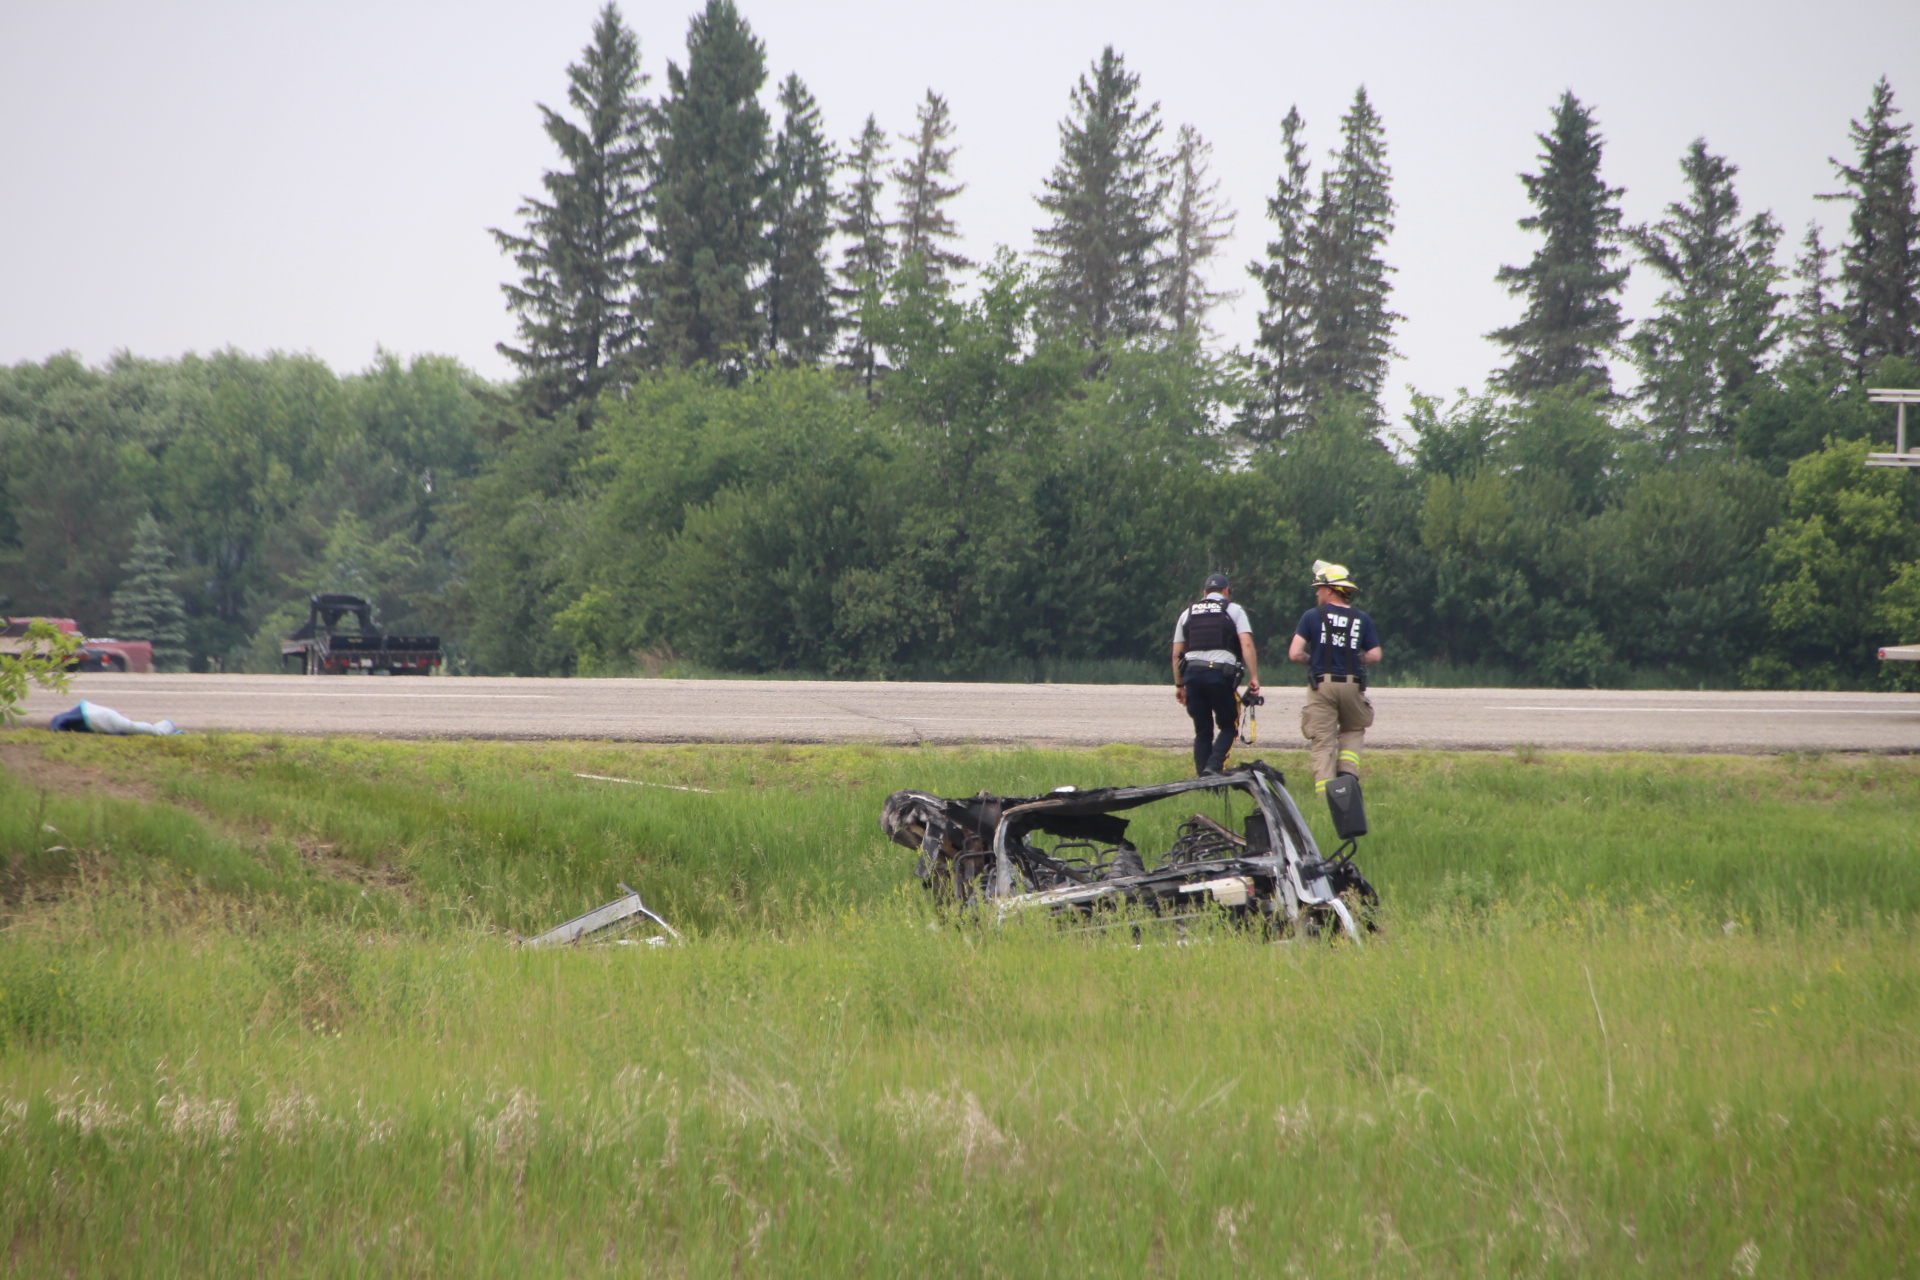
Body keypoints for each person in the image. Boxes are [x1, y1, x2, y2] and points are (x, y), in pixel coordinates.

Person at [1287, 561, 1381, 795]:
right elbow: (1375, 654)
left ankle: (1326, 796)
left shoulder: (1311, 616)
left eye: (1319, 588)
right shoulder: (1361, 618)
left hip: (1322, 686)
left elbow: (1295, 653)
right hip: (1352, 685)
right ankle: (1348, 778)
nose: (1317, 592)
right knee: (1353, 729)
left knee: (1323, 741)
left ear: (1329, 590)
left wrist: (1316, 660)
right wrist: (1352, 660)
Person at [1171, 573, 1260, 776]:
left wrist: (1179, 685)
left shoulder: (1187, 613)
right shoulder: (1234, 610)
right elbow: (1246, 643)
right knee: (1229, 726)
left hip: (1192, 675)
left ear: (1204, 593)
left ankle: (1203, 781)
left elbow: (1176, 654)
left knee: (1202, 732)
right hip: (1220, 677)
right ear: (1226, 591)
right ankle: (1214, 768)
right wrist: (1254, 677)